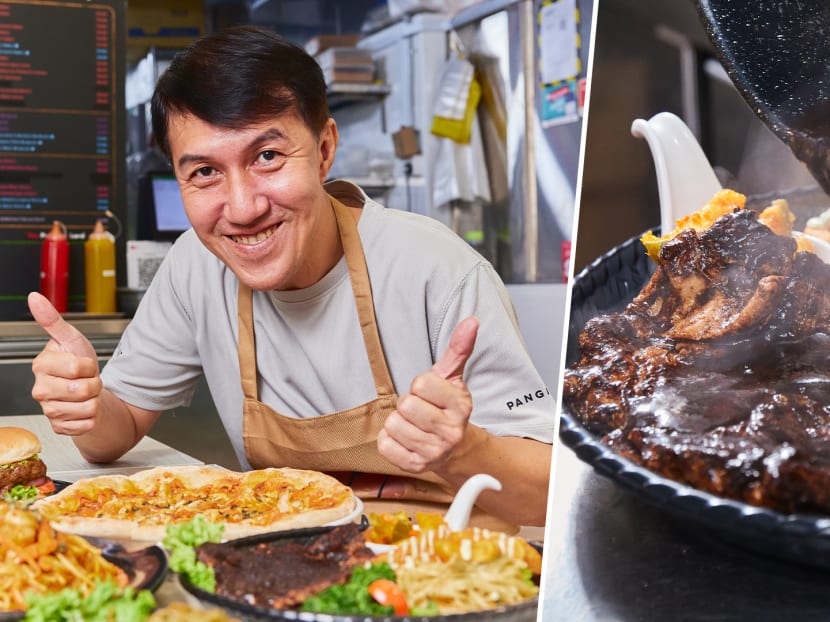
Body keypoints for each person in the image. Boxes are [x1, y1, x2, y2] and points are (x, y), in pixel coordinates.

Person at [28, 25, 554, 526]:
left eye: (268, 156)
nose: (241, 207)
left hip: (457, 571)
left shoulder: (438, 270)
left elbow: (555, 493)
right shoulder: (196, 265)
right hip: (290, 563)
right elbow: (113, 432)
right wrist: (87, 406)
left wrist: (467, 451)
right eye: (205, 172)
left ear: (325, 150)